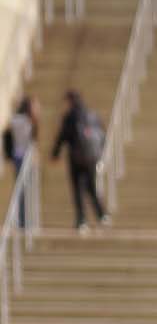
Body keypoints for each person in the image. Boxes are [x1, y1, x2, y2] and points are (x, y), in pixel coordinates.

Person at [50, 91, 110, 234]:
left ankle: (81, 220)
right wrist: (100, 156)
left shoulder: (70, 116)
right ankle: (102, 215)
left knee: (78, 190)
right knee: (91, 187)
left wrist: (55, 154)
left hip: (75, 158)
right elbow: (102, 136)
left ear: (70, 101)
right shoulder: (92, 115)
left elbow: (63, 136)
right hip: (91, 158)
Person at [3, 97, 39, 225]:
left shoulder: (15, 120)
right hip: (24, 158)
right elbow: (31, 141)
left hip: (17, 156)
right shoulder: (28, 121)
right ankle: (23, 220)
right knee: (24, 191)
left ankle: (23, 220)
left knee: (23, 190)